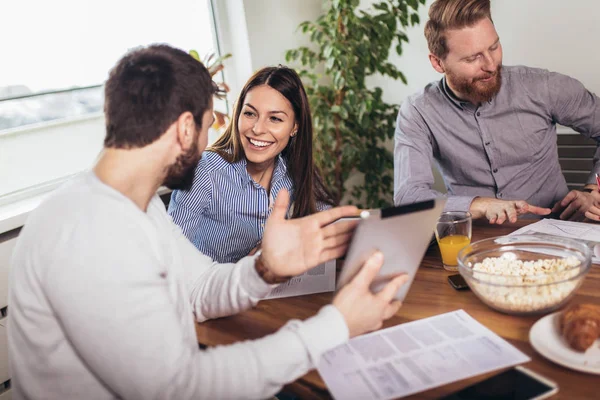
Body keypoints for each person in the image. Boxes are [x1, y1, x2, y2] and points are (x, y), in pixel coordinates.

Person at [8, 45, 409, 399]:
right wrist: (336, 325)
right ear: (186, 128)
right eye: (207, 124)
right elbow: (180, 387)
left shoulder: (138, 208)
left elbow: (198, 288)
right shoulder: (87, 229)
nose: (210, 139)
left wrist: (265, 268)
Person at [394, 0, 600, 224]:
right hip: (474, 241)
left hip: (555, 235)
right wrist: (479, 204)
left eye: (494, 47)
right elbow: (408, 196)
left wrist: (593, 190)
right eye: (472, 58)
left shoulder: (544, 87)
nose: (491, 65)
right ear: (438, 63)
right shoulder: (417, 111)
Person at [168, 66, 333, 263]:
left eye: (275, 118)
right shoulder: (204, 172)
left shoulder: (295, 170)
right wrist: (247, 267)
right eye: (250, 114)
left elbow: (328, 229)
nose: (257, 129)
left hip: (274, 291)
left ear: (294, 127)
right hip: (209, 290)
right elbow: (170, 257)